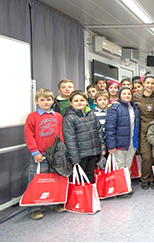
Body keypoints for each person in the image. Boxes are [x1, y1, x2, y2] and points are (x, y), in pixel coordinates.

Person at [24, 88, 65, 220]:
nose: (46, 102)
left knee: (55, 179)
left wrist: (62, 151)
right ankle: (34, 208)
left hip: (55, 154)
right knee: (36, 180)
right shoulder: (32, 117)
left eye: (48, 100)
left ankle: (54, 202)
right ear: (37, 101)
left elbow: (61, 135)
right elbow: (29, 136)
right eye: (42, 100)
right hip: (40, 154)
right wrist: (35, 152)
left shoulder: (58, 116)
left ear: (52, 101)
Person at [63, 90, 106, 183]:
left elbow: (99, 131)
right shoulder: (69, 118)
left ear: (86, 101)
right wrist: (74, 158)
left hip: (93, 152)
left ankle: (90, 195)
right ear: (71, 103)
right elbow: (70, 139)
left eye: (82, 100)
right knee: (80, 178)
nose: (79, 103)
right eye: (76, 101)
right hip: (80, 155)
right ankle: (82, 197)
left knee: (90, 174)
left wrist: (102, 146)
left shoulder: (91, 114)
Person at [133, 75, 154, 190]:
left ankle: (153, 178)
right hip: (142, 128)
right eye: (148, 83)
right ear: (143, 84)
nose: (150, 85)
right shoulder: (136, 96)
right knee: (146, 156)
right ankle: (145, 178)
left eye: (152, 83)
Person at [105, 87, 140, 175]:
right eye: (124, 94)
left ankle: (126, 185)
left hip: (131, 142)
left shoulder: (134, 108)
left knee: (128, 164)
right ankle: (121, 187)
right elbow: (110, 128)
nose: (127, 95)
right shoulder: (114, 109)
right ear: (119, 95)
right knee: (119, 166)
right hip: (119, 143)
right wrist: (111, 145)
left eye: (129, 94)